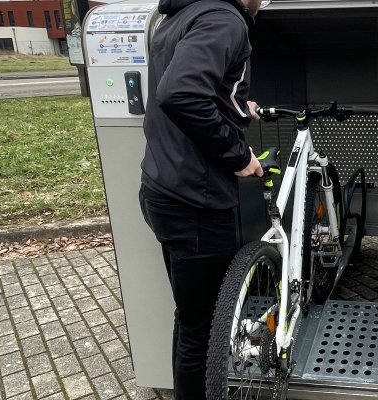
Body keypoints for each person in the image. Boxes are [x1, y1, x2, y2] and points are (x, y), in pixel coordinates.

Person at [138, 0, 264, 398]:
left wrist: (238, 110)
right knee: (204, 328)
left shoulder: (180, 16)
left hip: (163, 187)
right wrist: (239, 155)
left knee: (190, 317)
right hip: (196, 200)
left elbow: (196, 90)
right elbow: (179, 94)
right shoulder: (225, 20)